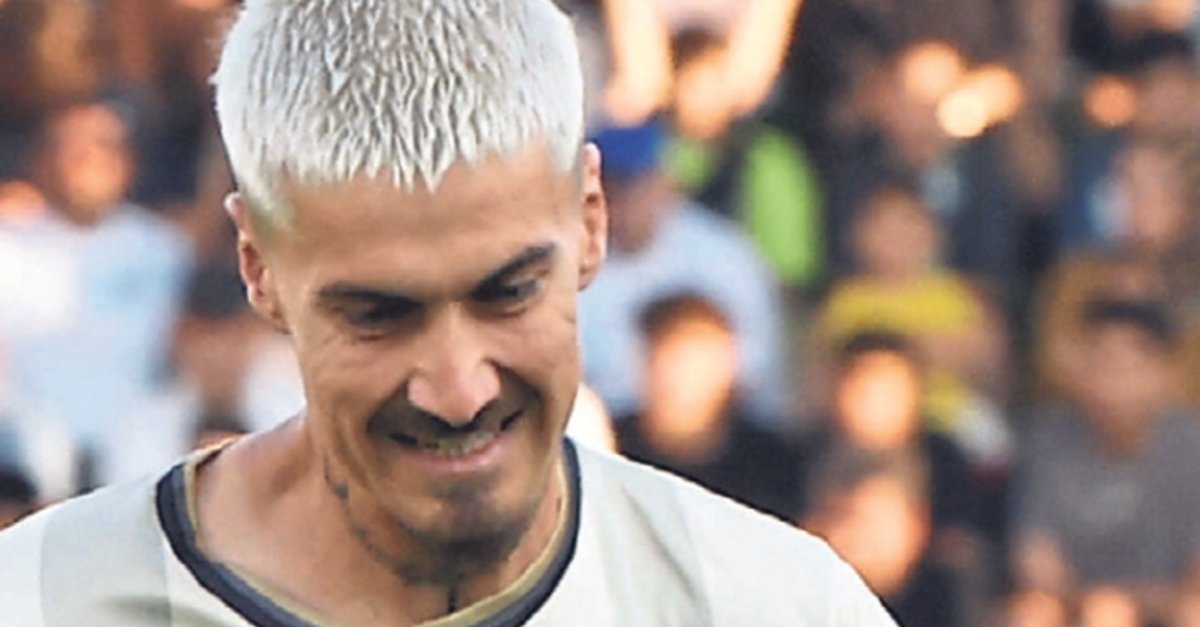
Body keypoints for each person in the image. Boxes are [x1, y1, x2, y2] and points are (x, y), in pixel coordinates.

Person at [0, 1, 895, 626]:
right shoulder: (44, 600)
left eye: (509, 293)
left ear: (591, 220)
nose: (458, 389)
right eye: (378, 315)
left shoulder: (775, 605)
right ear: (257, 269)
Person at [578, 119, 792, 423]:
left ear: (665, 182)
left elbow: (755, 370)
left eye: (630, 185)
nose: (618, 201)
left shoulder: (724, 255)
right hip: (600, 428)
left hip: (711, 428)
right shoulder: (568, 262)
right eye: (605, 187)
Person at [1013, 298, 1200, 625]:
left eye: (1127, 368)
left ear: (1164, 372)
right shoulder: (1048, 438)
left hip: (1170, 602)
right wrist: (1088, 600)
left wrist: (1133, 600)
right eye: (1099, 361)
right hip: (1076, 602)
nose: (1111, 382)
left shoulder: (1190, 445)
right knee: (1034, 613)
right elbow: (1036, 554)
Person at [615, 293, 803, 519]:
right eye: (667, 357)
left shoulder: (773, 463)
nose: (678, 377)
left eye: (693, 362)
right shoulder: (609, 448)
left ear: (730, 364)